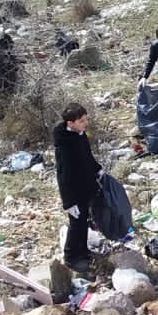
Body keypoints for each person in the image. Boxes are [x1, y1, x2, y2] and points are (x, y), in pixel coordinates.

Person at [53, 102, 102, 274]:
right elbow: (63, 175)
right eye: (81, 121)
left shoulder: (80, 135)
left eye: (85, 119)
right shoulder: (64, 145)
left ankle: (83, 251)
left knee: (84, 222)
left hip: (86, 187)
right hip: (73, 192)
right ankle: (71, 256)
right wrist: (68, 202)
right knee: (76, 223)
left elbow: (88, 157)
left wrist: (98, 170)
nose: (85, 123)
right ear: (70, 123)